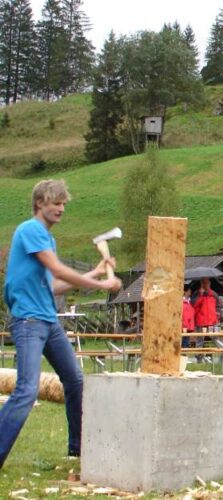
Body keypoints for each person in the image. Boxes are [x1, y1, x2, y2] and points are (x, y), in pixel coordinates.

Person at [0, 179, 122, 469]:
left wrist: (95, 272)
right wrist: (104, 285)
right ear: (40, 203)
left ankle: (77, 449)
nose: (61, 208)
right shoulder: (30, 230)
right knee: (27, 390)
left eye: (64, 203)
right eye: (56, 202)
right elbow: (56, 268)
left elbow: (51, 285)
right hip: (29, 320)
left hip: (48, 320)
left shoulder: (47, 239)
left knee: (75, 380)